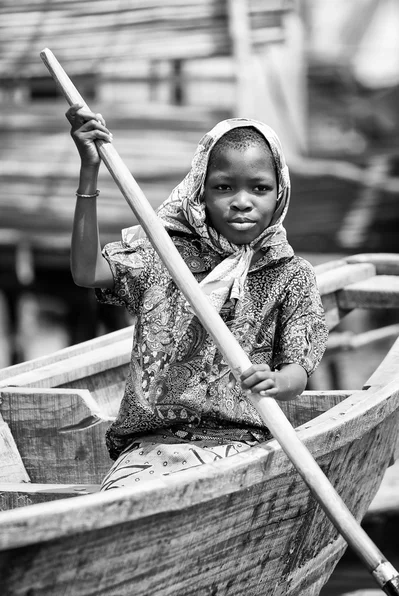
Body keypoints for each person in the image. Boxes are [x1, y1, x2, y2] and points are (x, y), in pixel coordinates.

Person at [66, 105, 328, 490]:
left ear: (280, 193)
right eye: (224, 187)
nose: (242, 201)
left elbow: (298, 371)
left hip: (241, 445)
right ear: (201, 192)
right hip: (151, 447)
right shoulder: (166, 256)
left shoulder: (291, 274)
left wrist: (275, 381)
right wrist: (89, 169)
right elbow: (86, 272)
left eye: (259, 188)